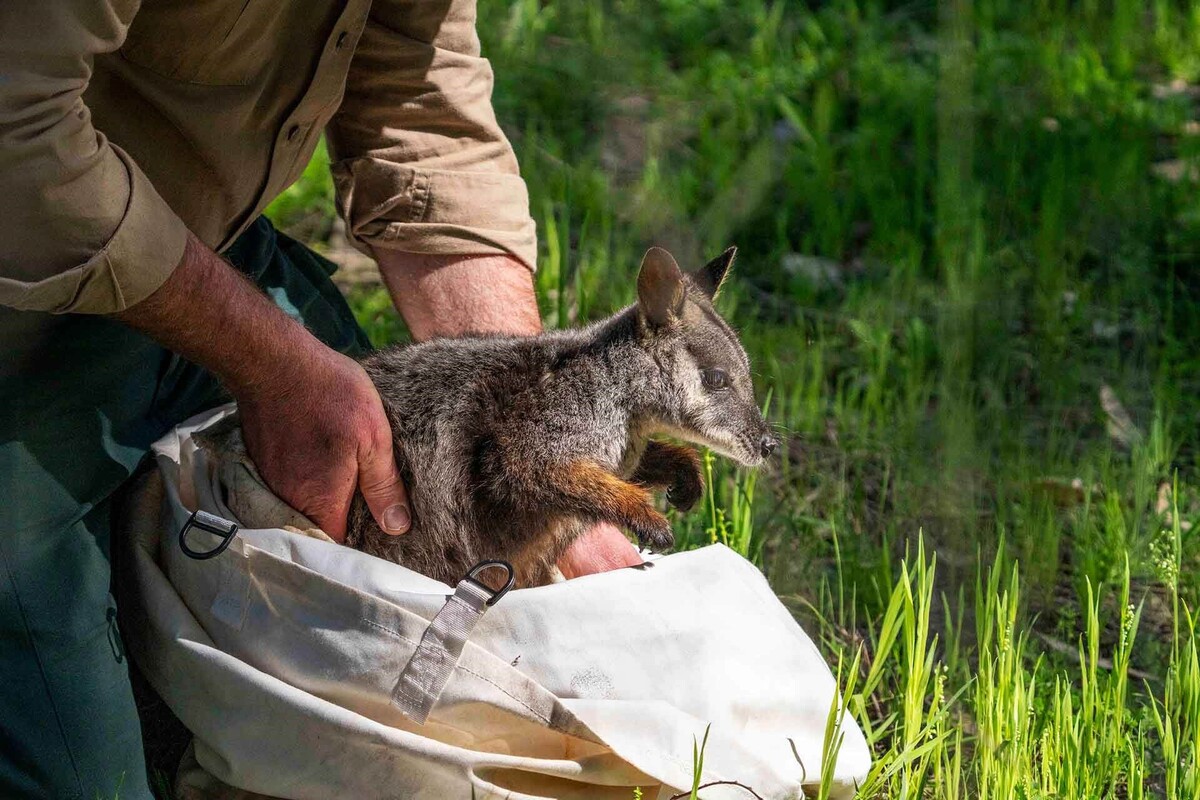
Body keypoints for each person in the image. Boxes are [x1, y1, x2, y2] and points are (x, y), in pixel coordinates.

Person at [0, 2, 642, 797]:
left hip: (196, 252)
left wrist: (535, 452)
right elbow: (18, 138)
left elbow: (421, 98)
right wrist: (275, 366)